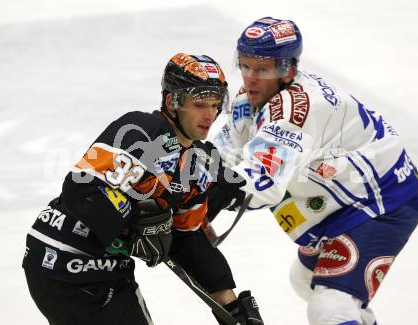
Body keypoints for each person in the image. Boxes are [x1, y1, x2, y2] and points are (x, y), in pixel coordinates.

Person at [208, 17, 418, 325]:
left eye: (262, 69)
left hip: (382, 202)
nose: (251, 78)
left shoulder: (294, 112)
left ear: (288, 70)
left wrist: (207, 202)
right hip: (342, 203)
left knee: (330, 307)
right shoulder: (250, 99)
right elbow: (224, 155)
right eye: (245, 65)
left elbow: (263, 183)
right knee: (305, 279)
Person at [22, 52, 264, 325]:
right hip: (69, 262)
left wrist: (231, 306)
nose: (210, 115)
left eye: (215, 104)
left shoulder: (197, 164)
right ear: (173, 102)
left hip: (101, 272)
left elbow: (187, 240)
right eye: (199, 104)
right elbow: (83, 189)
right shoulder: (142, 131)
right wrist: (135, 223)